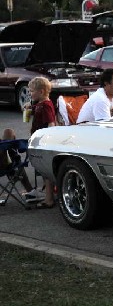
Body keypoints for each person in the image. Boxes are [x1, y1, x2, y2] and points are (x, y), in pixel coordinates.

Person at [27, 77, 56, 208]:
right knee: (43, 171)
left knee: (45, 171)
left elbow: (51, 123)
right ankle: (48, 196)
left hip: (43, 142)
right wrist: (29, 107)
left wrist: (47, 141)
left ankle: (49, 199)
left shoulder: (46, 105)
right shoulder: (40, 104)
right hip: (38, 141)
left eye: (32, 91)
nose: (30, 93)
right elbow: (35, 109)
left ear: (42, 91)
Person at [0, 128, 35, 198]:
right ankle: (30, 191)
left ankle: (12, 157)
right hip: (5, 167)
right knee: (8, 132)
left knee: (7, 135)